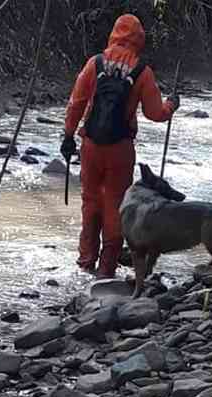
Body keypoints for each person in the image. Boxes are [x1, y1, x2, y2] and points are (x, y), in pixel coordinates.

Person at [62, 14, 180, 279]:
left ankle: (85, 263)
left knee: (90, 201)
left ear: (114, 34)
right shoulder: (142, 72)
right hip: (121, 149)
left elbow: (76, 103)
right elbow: (154, 114)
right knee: (116, 205)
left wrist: (68, 135)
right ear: (139, 39)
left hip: (91, 144)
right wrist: (171, 105)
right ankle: (106, 270)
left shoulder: (96, 63)